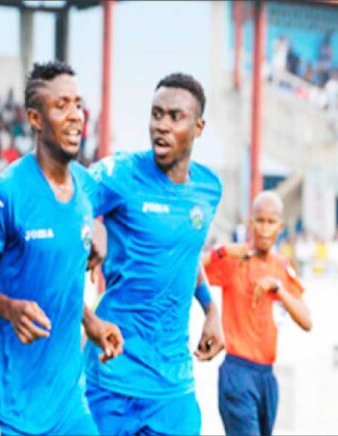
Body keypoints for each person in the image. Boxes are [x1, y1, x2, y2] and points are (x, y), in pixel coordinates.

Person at [0, 61, 123, 435]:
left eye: (78, 105)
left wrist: (92, 321)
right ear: (35, 119)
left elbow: (64, 274)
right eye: (61, 106)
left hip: (71, 405)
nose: (75, 117)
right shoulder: (5, 193)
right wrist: (8, 308)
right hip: (15, 410)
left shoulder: (87, 189)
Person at [83, 73, 224, 435]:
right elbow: (64, 197)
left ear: (198, 126)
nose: (161, 125)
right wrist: (92, 226)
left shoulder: (209, 189)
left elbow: (185, 254)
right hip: (114, 377)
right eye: (156, 114)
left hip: (173, 385)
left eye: (175, 117)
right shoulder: (120, 173)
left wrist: (210, 309)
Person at [203, 190, 312, 436]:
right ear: (250, 223)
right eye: (259, 221)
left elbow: (307, 320)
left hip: (267, 377)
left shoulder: (281, 268)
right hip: (238, 372)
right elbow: (189, 269)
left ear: (280, 226)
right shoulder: (236, 260)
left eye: (270, 222)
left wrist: (279, 289)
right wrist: (220, 252)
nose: (264, 229)